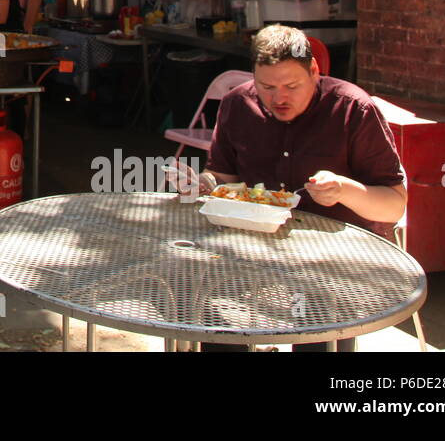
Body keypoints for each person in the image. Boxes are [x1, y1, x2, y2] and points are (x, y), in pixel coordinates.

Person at [169, 24, 407, 351]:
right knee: (204, 309)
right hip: (252, 250)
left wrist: (344, 190)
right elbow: (222, 177)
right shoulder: (238, 104)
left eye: (291, 85)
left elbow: (394, 204)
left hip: (334, 262)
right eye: (266, 86)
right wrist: (203, 184)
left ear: (314, 71)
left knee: (318, 329)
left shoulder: (353, 109)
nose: (278, 98)